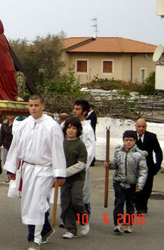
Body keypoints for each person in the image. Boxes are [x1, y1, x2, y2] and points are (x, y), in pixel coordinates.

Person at [4, 95, 66, 250]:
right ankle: (45, 229)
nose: (33, 108)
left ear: (43, 106)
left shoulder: (52, 126)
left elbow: (58, 150)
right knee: (29, 202)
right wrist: (11, 168)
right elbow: (15, 147)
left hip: (44, 170)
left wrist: (59, 173)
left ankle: (34, 238)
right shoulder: (24, 124)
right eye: (31, 105)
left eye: (36, 105)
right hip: (27, 169)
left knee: (37, 203)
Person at [105, 130, 148, 234]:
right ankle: (118, 224)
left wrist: (140, 185)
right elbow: (115, 165)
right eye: (126, 140)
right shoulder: (118, 152)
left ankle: (128, 224)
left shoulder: (139, 155)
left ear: (135, 141)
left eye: (131, 140)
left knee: (130, 205)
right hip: (119, 182)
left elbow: (143, 171)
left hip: (132, 184)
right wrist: (109, 165)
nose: (128, 142)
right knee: (119, 203)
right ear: (123, 141)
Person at [60, 117, 88, 239]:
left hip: (77, 178)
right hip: (63, 180)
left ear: (78, 130)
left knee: (76, 200)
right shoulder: (61, 143)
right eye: (69, 127)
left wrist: (65, 172)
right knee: (65, 203)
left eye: (74, 128)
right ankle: (71, 229)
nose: (71, 130)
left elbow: (81, 164)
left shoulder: (80, 145)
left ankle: (83, 220)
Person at [72, 99, 95, 234]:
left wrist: (82, 167)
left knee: (82, 195)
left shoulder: (87, 129)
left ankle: (83, 218)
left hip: (81, 167)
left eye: (78, 109)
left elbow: (89, 150)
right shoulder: (70, 125)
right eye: (74, 108)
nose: (75, 111)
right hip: (69, 166)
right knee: (69, 194)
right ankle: (69, 219)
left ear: (85, 112)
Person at [134, 118, 163, 214]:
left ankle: (143, 205)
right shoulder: (131, 137)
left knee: (147, 187)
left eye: (143, 126)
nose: (141, 128)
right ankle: (138, 205)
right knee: (137, 186)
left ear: (146, 127)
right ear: (136, 126)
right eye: (139, 126)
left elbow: (158, 151)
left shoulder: (152, 137)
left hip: (148, 166)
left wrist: (157, 165)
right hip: (135, 166)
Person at [0, 114, 15, 182]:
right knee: (6, 160)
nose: (10, 116)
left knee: (12, 161)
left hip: (13, 146)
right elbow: (1, 134)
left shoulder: (17, 124)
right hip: (6, 145)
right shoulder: (4, 124)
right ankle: (8, 176)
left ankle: (12, 175)